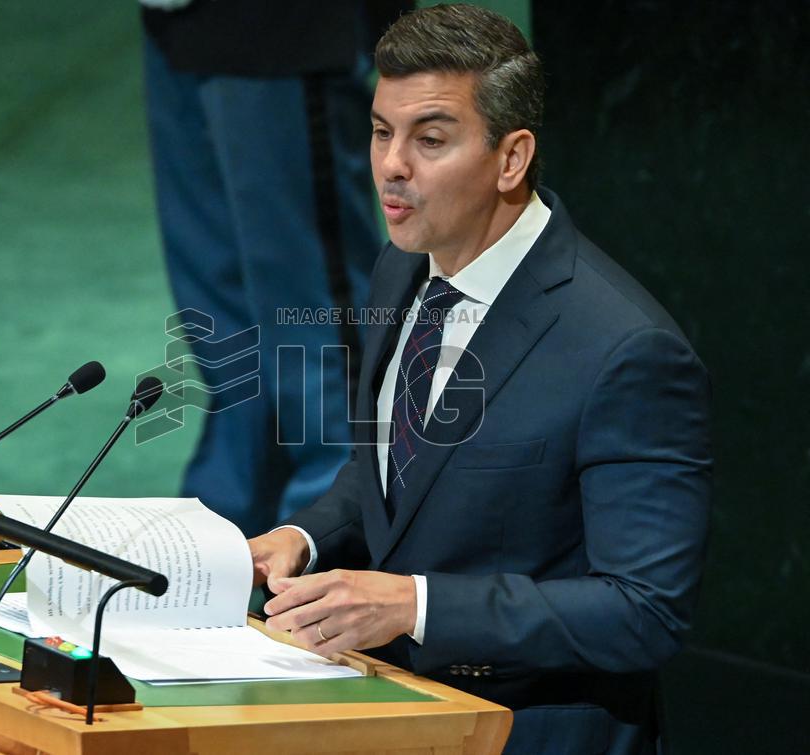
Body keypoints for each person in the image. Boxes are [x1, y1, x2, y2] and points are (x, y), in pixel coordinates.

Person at [249, 5, 712, 753]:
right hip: (393, 714)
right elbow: (394, 471)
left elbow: (644, 612)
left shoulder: (628, 351)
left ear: (511, 158)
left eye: (430, 139)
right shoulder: (401, 265)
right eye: (381, 131)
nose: (392, 165)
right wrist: (303, 536)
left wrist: (416, 606)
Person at [140, 1, 412, 536]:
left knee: (314, 318)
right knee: (222, 319)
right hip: (175, 23)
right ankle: (228, 533)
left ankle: (335, 532)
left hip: (282, 30)